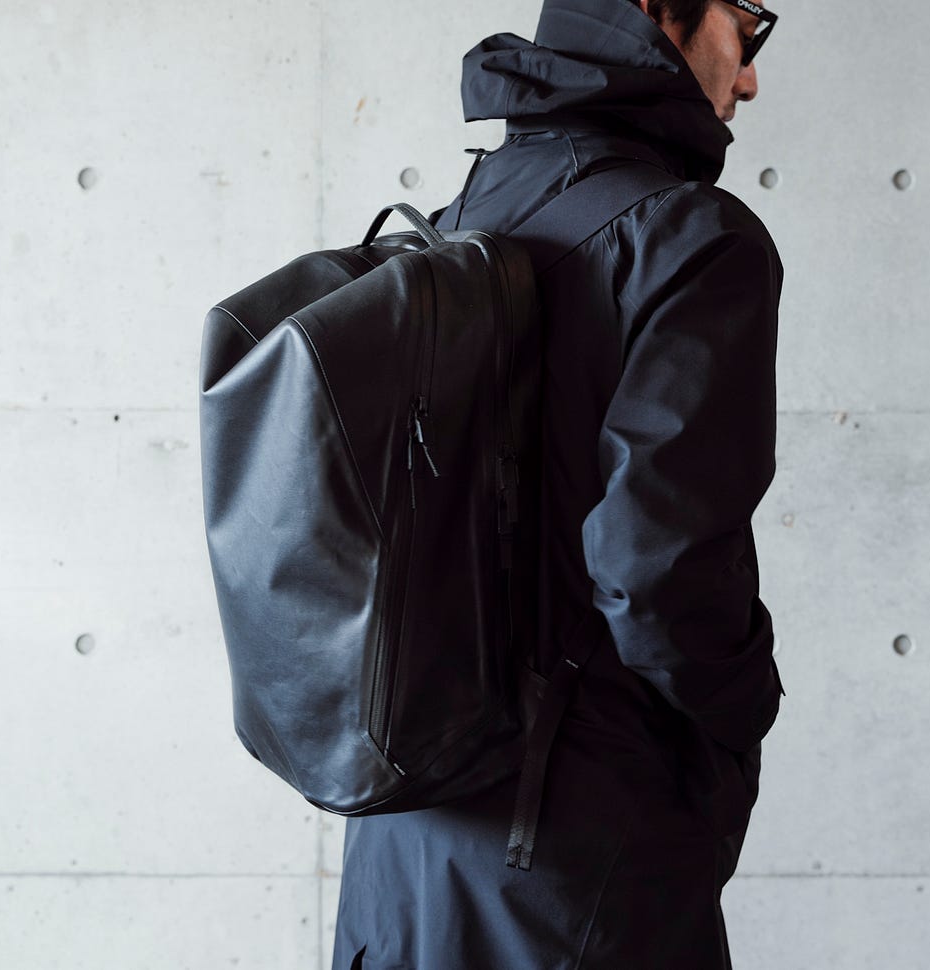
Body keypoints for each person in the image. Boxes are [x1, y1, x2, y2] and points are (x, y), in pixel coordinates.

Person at [330, 0, 786, 966]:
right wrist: (745, 715)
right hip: (573, 857)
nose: (748, 77)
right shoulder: (694, 238)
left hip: (403, 837)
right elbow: (659, 571)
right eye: (747, 26)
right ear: (658, 10)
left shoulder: (460, 218)